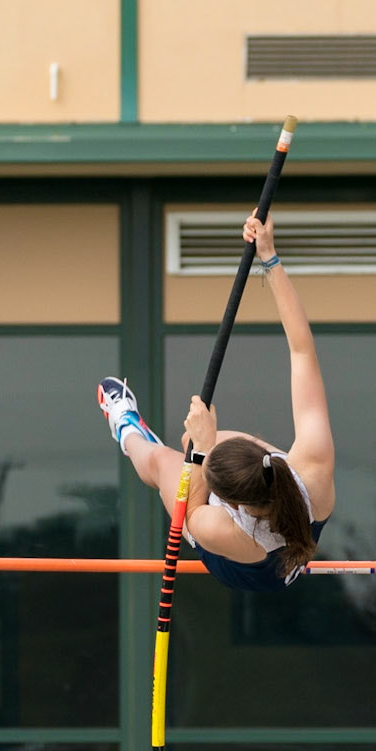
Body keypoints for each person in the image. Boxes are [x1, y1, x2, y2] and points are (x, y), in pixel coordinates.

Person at [98, 213, 335, 590]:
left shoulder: (225, 532)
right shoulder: (313, 467)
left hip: (247, 569)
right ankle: (198, 449)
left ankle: (126, 430)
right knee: (192, 442)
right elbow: (302, 352)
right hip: (277, 517)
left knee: (166, 462)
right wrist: (270, 257)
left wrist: (200, 451)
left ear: (230, 505)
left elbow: (189, 512)